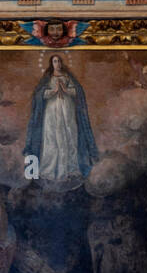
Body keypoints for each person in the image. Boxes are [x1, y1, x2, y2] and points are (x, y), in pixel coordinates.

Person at [24, 54, 98, 182]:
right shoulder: (47, 79)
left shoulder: (68, 77)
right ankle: (50, 171)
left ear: (62, 63)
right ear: (51, 63)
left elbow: (77, 92)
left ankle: (71, 169)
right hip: (51, 112)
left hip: (68, 110)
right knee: (51, 139)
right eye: (54, 61)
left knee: (70, 137)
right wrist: (52, 92)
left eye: (59, 61)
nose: (57, 63)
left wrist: (66, 90)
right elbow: (39, 95)